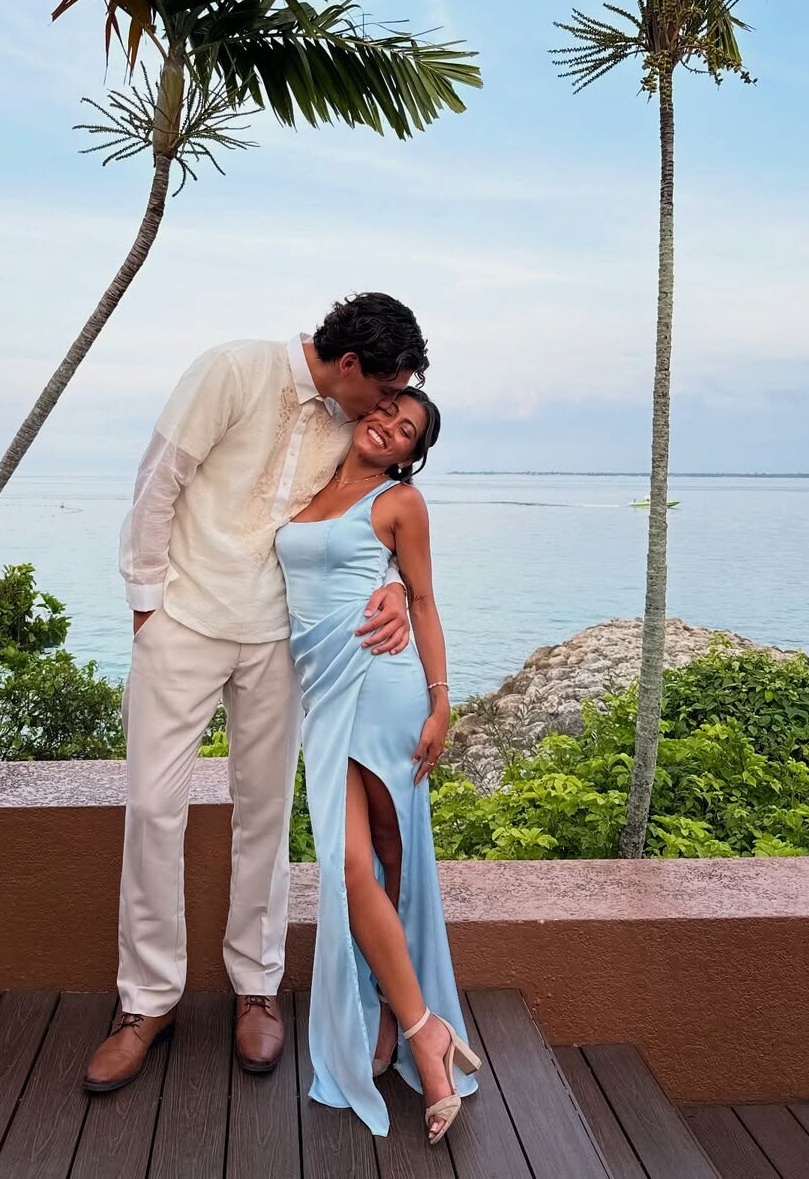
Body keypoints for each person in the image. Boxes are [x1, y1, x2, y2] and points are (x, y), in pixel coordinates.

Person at [84, 294, 428, 1093]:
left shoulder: (356, 422)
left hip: (282, 638)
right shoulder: (234, 369)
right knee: (153, 807)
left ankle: (257, 987)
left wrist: (394, 584)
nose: (384, 411)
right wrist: (146, 606)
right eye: (383, 391)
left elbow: (374, 509)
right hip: (184, 620)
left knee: (266, 813)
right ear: (350, 365)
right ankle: (146, 1003)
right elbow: (158, 481)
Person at [275, 388, 480, 1143]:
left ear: (411, 455)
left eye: (406, 430)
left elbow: (422, 601)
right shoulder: (305, 477)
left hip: (380, 683)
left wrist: (442, 702)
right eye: (387, 410)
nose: (388, 427)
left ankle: (404, 1024)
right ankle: (422, 1027)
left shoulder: (400, 503)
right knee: (351, 866)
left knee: (382, 859)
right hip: (321, 691)